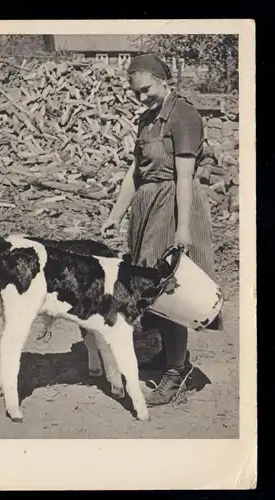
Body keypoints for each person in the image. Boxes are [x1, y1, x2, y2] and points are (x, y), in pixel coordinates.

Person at [101, 53, 222, 406]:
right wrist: (116, 213)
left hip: (173, 206)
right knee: (147, 286)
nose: (142, 97)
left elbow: (184, 177)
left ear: (163, 79)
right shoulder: (146, 120)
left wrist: (182, 229)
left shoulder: (183, 115)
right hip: (147, 209)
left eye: (147, 90)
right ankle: (163, 354)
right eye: (136, 92)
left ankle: (177, 372)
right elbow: (133, 174)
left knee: (169, 292)